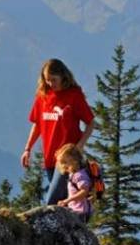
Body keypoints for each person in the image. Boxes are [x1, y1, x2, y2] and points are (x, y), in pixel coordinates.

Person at [21, 58, 94, 206]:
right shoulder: (43, 96)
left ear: (63, 76)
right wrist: (27, 149)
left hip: (68, 160)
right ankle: (75, 227)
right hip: (49, 158)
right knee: (65, 202)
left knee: (52, 202)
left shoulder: (74, 96)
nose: (50, 83)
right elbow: (37, 125)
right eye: (47, 80)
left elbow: (91, 123)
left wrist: (79, 146)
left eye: (53, 80)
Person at [55, 143, 92, 222]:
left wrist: (67, 200)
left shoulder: (79, 175)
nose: (63, 165)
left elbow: (84, 192)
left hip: (81, 212)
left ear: (74, 160)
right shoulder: (73, 174)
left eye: (65, 162)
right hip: (76, 210)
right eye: (62, 162)